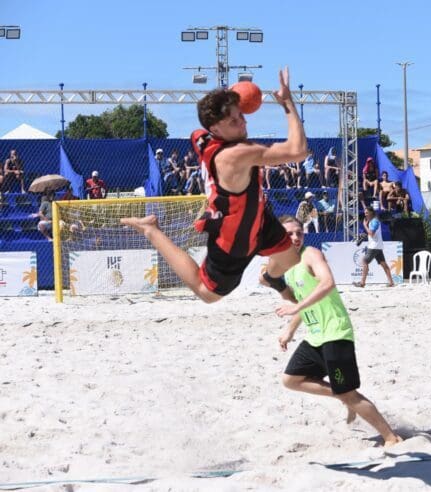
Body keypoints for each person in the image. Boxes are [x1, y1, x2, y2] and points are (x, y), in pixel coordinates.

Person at [121, 67, 307, 303]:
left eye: (240, 115)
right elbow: (298, 151)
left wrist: (229, 98)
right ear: (216, 129)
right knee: (207, 293)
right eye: (234, 121)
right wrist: (287, 102)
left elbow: (206, 119)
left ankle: (271, 279)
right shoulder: (236, 154)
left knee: (291, 259)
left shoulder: (202, 137)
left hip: (257, 216)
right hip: (233, 238)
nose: (243, 122)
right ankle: (151, 230)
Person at [274, 216, 402, 447]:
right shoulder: (288, 267)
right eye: (289, 234)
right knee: (291, 379)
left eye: (298, 233)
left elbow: (328, 283)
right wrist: (290, 331)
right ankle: (340, 395)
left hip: (335, 333)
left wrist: (296, 307)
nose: (295, 237)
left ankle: (391, 437)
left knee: (349, 393)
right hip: (315, 337)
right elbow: (306, 302)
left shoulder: (310, 254)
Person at [352, 208, 394, 288]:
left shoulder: (374, 221)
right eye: (365, 212)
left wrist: (364, 225)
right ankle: (391, 282)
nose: (365, 214)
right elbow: (371, 233)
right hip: (377, 246)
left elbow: (371, 234)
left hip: (374, 246)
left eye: (367, 212)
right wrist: (365, 234)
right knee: (383, 264)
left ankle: (362, 283)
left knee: (364, 261)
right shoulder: (373, 221)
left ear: (371, 213)